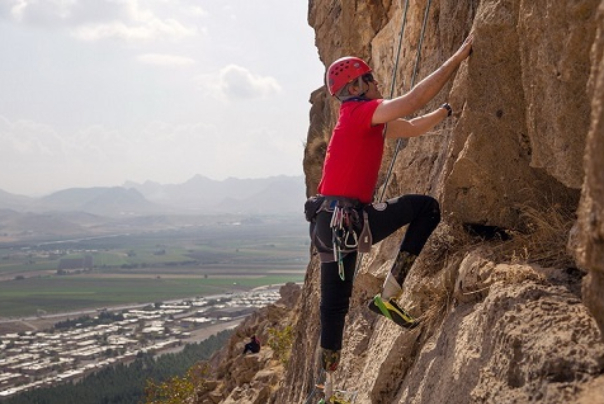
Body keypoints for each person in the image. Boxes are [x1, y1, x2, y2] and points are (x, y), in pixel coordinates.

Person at [305, 35, 473, 375]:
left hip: (328, 224)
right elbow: (411, 101)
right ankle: (389, 294)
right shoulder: (358, 112)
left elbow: (410, 126)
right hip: (346, 219)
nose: (376, 81)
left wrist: (448, 110)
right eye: (369, 78)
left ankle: (325, 390)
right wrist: (457, 57)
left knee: (333, 309)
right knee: (426, 208)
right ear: (354, 87)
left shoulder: (360, 119)